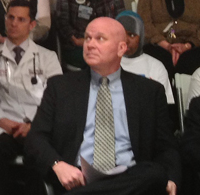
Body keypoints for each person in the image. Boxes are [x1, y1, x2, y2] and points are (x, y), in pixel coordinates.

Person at [24, 17, 180, 195]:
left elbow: (167, 146)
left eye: (100, 39)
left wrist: (171, 178)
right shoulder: (60, 87)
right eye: (88, 38)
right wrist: (58, 165)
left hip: (132, 178)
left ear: (122, 48)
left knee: (154, 173)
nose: (89, 44)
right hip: (78, 179)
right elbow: (35, 138)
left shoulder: (149, 92)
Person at [0, 0, 62, 195]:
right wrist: (4, 122)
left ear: (32, 25)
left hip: (38, 126)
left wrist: (34, 126)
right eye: (11, 17)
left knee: (39, 156)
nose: (14, 23)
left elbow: (55, 100)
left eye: (21, 19)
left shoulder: (48, 57)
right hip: (4, 126)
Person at [117, 11, 174, 104]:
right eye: (120, 34)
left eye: (132, 35)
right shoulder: (105, 66)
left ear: (141, 37)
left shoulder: (156, 67)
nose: (125, 40)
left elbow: (165, 107)